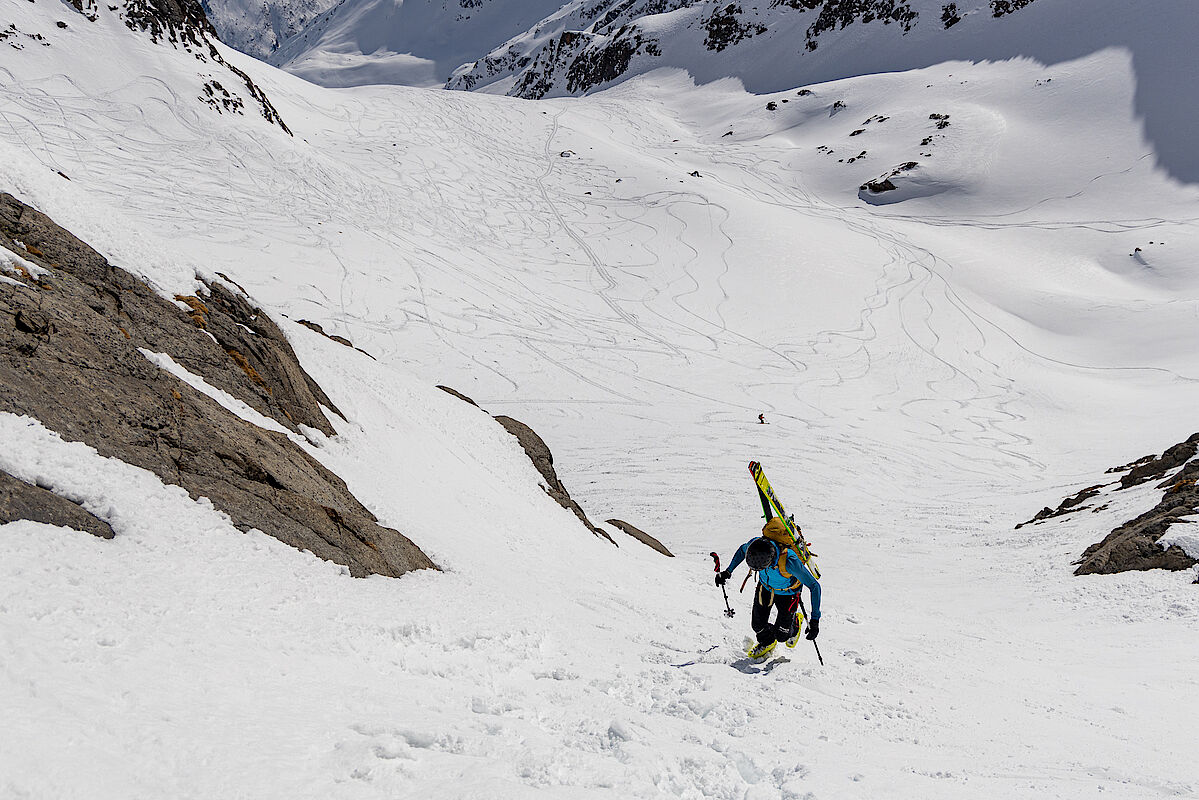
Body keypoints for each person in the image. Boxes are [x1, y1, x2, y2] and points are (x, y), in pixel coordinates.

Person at [715, 518, 821, 659]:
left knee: (783, 636)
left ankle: (795, 622)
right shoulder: (755, 545)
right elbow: (742, 550)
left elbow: (814, 586)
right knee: (757, 625)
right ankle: (768, 642)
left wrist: (815, 620)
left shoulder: (790, 561)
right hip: (765, 587)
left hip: (788, 593)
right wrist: (728, 571)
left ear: (771, 561)